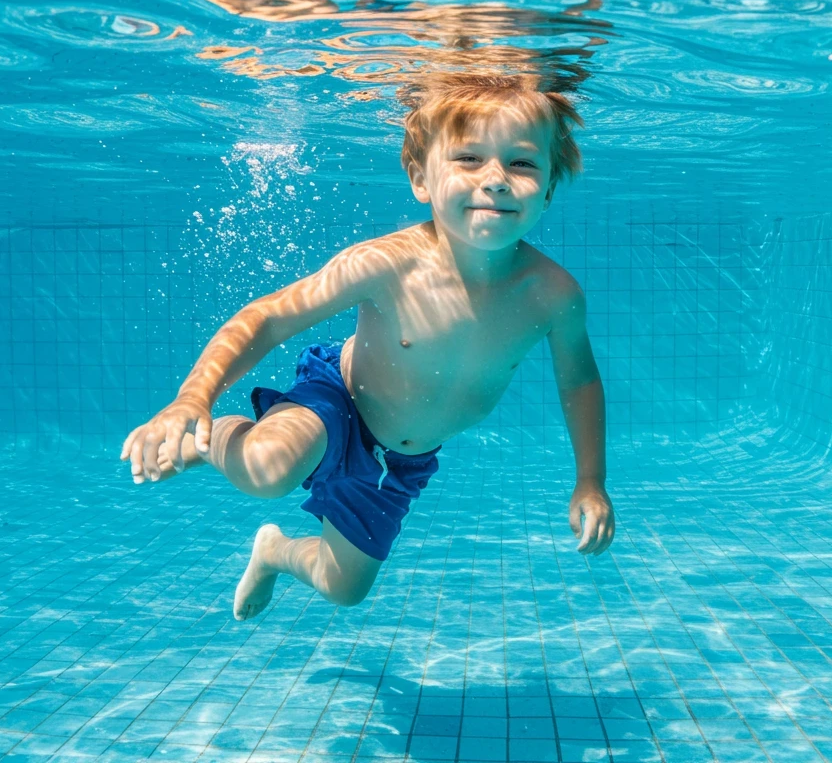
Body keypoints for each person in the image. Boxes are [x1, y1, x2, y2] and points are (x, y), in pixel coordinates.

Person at [120, 73, 616, 621]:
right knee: (267, 468)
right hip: (337, 402)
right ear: (420, 177)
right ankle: (204, 444)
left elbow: (579, 380)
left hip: (399, 459)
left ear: (549, 186)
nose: (496, 180)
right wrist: (194, 399)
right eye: (469, 159)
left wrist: (590, 481)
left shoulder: (553, 295)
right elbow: (267, 318)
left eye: (522, 163)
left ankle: (273, 552)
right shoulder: (387, 263)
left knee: (344, 587)